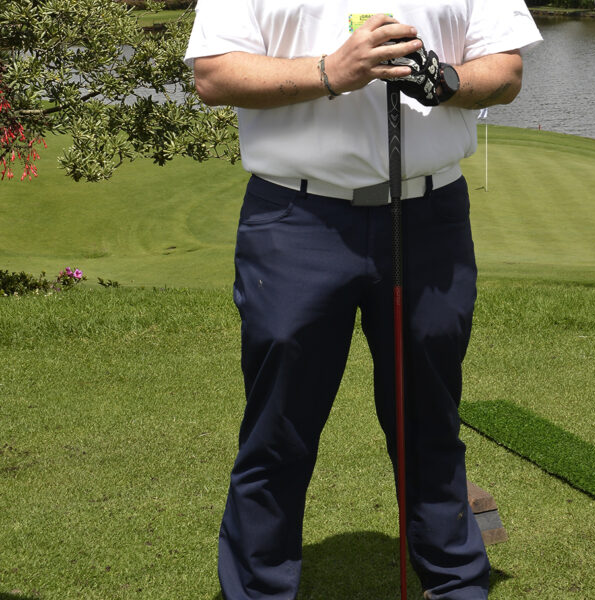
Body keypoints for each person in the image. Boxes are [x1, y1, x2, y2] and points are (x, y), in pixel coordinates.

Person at [183, 2, 541, 599]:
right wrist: (331, 71)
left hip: (429, 217)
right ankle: (257, 590)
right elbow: (214, 75)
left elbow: (506, 72)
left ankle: (457, 585)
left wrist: (446, 80)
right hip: (297, 217)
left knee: (429, 417)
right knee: (279, 426)